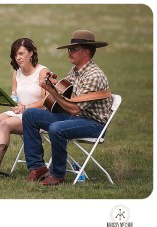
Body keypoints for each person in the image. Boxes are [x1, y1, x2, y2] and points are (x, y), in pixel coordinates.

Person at [22, 30, 113, 185]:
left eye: (74, 49)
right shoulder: (76, 70)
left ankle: (57, 174)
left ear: (86, 52)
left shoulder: (93, 76)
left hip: (94, 124)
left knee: (57, 128)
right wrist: (51, 83)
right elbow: (63, 90)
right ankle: (38, 167)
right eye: (69, 49)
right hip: (76, 118)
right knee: (30, 114)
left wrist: (51, 90)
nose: (69, 52)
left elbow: (75, 109)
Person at [0, 38, 49, 177]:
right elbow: (14, 95)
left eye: (21, 53)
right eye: (15, 54)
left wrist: (26, 107)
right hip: (19, 112)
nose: (18, 58)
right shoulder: (17, 72)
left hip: (36, 115)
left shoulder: (42, 72)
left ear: (31, 53)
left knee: (4, 124)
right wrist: (16, 105)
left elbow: (46, 101)